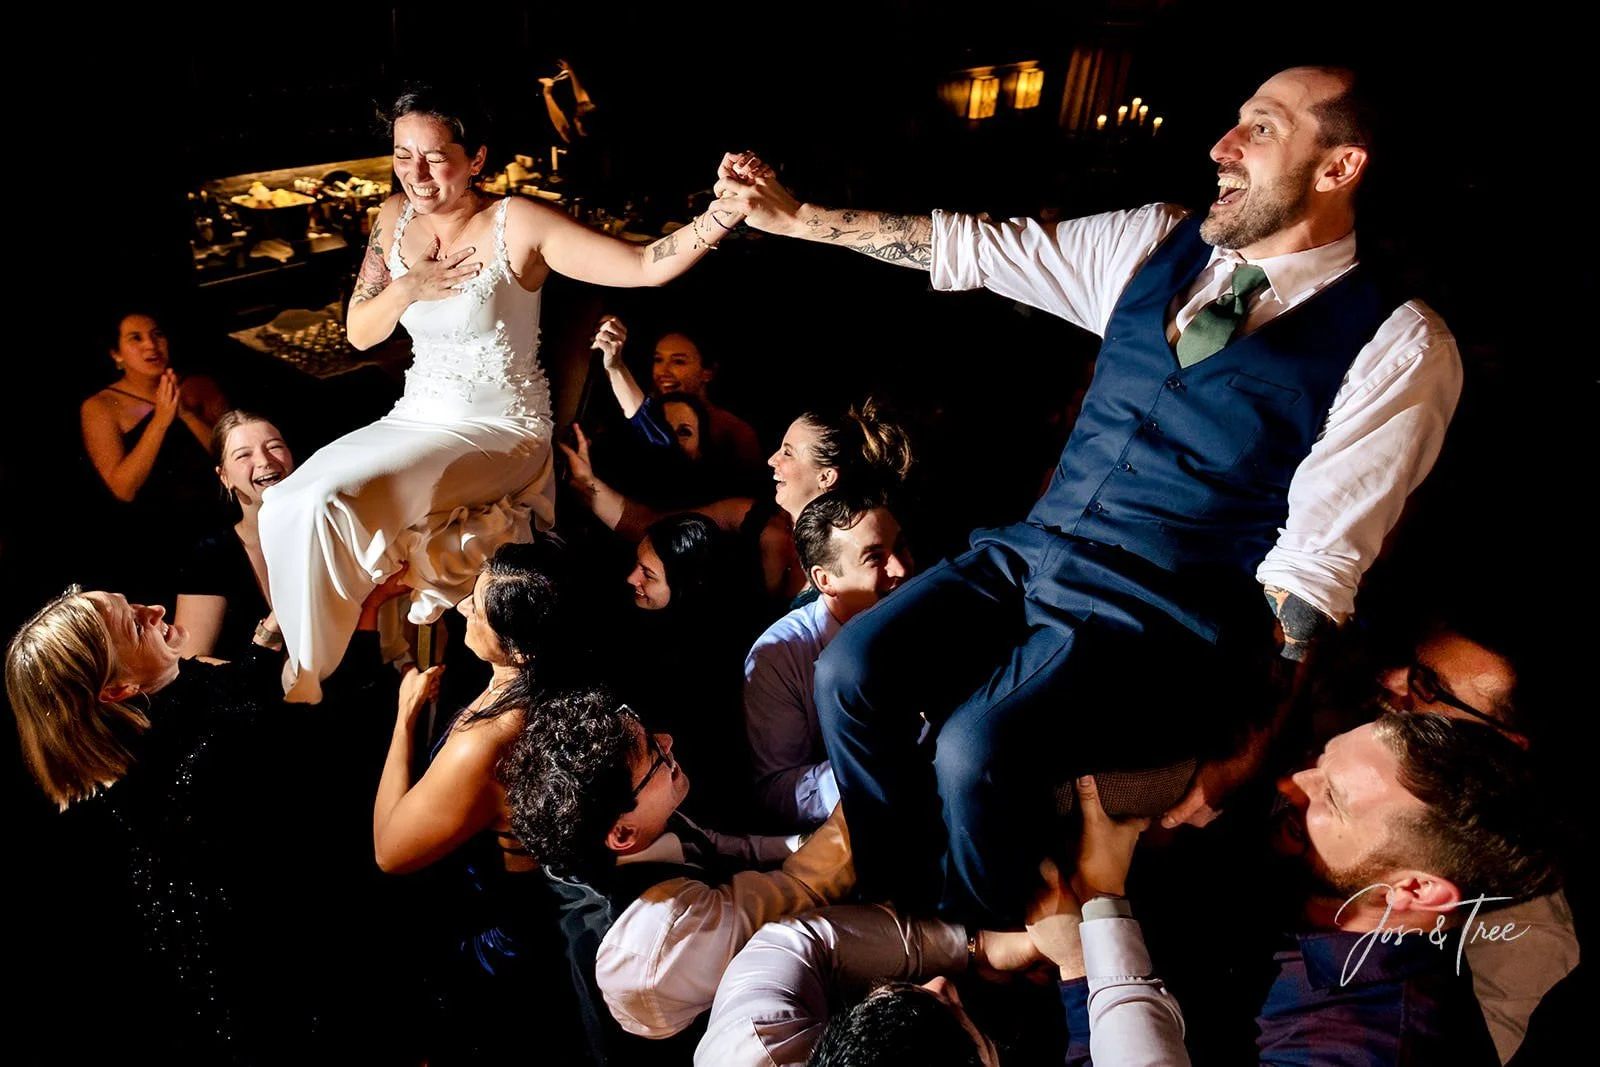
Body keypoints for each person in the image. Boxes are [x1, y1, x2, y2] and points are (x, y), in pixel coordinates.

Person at [716, 65, 1464, 924]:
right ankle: (893, 900)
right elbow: (980, 249)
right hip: (1031, 551)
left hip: (1162, 613)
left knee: (973, 747)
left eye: (1260, 129)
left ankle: (976, 940)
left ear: (1339, 168)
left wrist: (1242, 753)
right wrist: (801, 219)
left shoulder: (1399, 343)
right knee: (848, 670)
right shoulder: (1156, 241)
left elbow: (1317, 574)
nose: (1222, 147)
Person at [258, 85, 743, 703]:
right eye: (403, 156)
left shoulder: (518, 223)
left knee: (330, 496)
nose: (418, 174)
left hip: (500, 426)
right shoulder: (391, 218)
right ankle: (318, 670)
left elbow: (644, 265)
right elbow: (359, 332)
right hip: (416, 416)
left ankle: (307, 685)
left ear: (476, 158)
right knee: (286, 502)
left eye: (435, 156)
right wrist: (408, 287)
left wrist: (721, 215)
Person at [5, 576, 405, 1059]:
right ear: (117, 689)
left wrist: (269, 635)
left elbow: (232, 694)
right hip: (260, 978)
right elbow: (331, 733)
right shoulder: (199, 760)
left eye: (132, 602)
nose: (154, 607)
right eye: (136, 624)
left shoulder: (168, 697)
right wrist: (364, 620)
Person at [698, 777, 1184, 1067]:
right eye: (958, 1020)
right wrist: (1091, 931)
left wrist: (979, 948)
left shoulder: (750, 1050)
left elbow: (793, 946)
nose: (939, 983)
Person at [501, 687, 855, 1064]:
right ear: (621, 835)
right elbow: (804, 888)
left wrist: (804, 840)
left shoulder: (618, 830)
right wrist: (864, 774)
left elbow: (721, 848)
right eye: (654, 755)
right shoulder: (661, 932)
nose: (668, 741)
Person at [371, 539, 585, 1062]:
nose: (464, 604)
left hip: (493, 934)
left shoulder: (493, 741)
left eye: (479, 605)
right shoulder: (542, 678)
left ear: (520, 648)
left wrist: (403, 719)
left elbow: (390, 851)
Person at [564, 399, 912, 611]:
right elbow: (651, 527)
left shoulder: (859, 554)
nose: (772, 459)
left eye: (788, 453)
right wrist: (588, 485)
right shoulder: (752, 517)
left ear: (826, 478)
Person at [745, 487, 913, 830]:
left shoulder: (927, 607)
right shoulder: (779, 657)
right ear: (825, 580)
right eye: (874, 558)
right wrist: (879, 759)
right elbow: (779, 792)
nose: (900, 569)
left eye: (900, 547)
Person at [80, 309, 230, 602]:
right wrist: (161, 420)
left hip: (215, 522)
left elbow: (230, 457)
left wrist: (185, 414)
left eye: (157, 335)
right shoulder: (101, 407)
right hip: (154, 539)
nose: (151, 345)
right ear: (116, 354)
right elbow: (124, 488)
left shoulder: (199, 386)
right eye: (135, 338)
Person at [619, 513, 755, 818]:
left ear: (685, 586)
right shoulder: (637, 619)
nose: (632, 579)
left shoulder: (705, 662)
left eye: (648, 575)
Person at [173, 410, 294, 662]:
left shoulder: (331, 531)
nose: (264, 461)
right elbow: (192, 660)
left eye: (274, 447)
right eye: (244, 455)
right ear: (224, 477)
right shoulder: (211, 555)